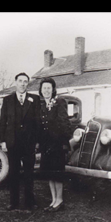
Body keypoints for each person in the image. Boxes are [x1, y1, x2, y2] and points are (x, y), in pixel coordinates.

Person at [0, 72, 41, 211]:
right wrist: (3, 141)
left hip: (29, 143)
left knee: (29, 173)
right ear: (15, 82)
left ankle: (30, 202)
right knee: (14, 172)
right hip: (13, 142)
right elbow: (2, 122)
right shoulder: (7, 100)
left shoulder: (34, 99)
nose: (23, 84)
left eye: (25, 81)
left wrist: (36, 141)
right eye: (20, 81)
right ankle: (13, 202)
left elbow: (37, 123)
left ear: (27, 84)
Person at [39, 77, 72, 212]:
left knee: (57, 174)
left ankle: (60, 200)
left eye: (49, 88)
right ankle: (53, 200)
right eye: (44, 88)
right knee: (49, 173)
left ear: (53, 90)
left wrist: (63, 142)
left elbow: (64, 123)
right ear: (41, 90)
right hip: (46, 145)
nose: (46, 90)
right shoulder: (42, 105)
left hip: (57, 145)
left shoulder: (59, 102)